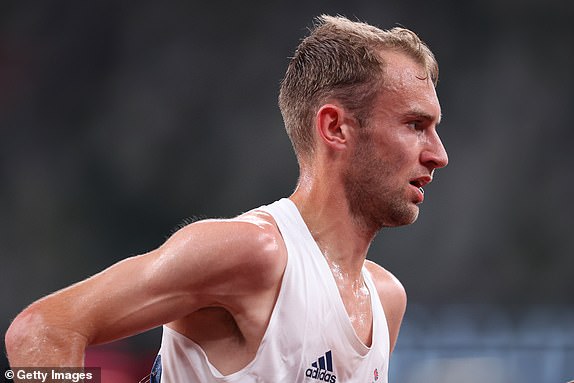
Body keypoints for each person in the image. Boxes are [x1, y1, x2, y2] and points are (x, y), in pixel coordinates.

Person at [5, 14, 448, 382]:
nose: (439, 154)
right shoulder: (252, 254)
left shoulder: (386, 299)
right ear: (335, 127)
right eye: (415, 125)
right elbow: (42, 328)